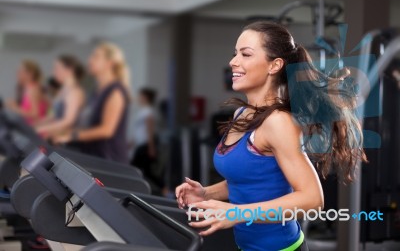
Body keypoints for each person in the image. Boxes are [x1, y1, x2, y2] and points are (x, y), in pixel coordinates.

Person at [175, 21, 367, 251]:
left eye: (245, 54)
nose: (233, 61)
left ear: (274, 65)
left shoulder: (278, 122)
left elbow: (313, 200)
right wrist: (206, 192)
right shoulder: (242, 114)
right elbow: (250, 177)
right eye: (235, 53)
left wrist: (238, 213)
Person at [54, 42, 131, 164]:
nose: (90, 60)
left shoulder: (116, 91)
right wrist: (65, 132)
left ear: (110, 63)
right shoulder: (97, 91)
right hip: (92, 153)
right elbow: (89, 125)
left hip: (109, 159)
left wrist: (71, 136)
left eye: (96, 56)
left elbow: (106, 130)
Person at [35, 55, 86, 139]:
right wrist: (36, 124)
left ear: (69, 70)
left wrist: (41, 129)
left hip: (67, 142)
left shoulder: (74, 92)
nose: (54, 72)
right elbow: (55, 115)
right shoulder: (63, 91)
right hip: (56, 137)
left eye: (57, 68)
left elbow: (68, 121)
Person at [130, 88, 168, 195]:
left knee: (137, 169)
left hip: (145, 145)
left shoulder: (148, 111)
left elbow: (150, 130)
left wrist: (151, 147)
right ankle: (163, 188)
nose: (139, 98)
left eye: (141, 96)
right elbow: (138, 130)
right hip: (140, 145)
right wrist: (132, 142)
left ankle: (163, 188)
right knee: (145, 170)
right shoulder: (142, 111)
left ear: (146, 98)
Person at [6, 60, 48, 125]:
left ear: (30, 74)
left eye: (20, 71)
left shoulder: (33, 89)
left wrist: (15, 108)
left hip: (36, 130)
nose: (17, 74)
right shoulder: (28, 89)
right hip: (29, 127)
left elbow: (35, 114)